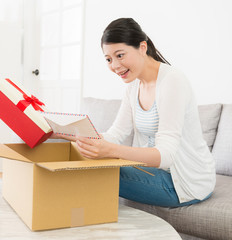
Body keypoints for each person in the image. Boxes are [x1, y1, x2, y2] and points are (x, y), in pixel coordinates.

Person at [52, 18, 215, 207]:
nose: (114, 65)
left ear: (142, 47)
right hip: (156, 173)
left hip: (186, 182)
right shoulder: (134, 85)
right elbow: (115, 135)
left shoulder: (172, 81)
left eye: (120, 55)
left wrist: (110, 151)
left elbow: (166, 155)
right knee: (81, 159)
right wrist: (61, 132)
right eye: (108, 59)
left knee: (91, 169)